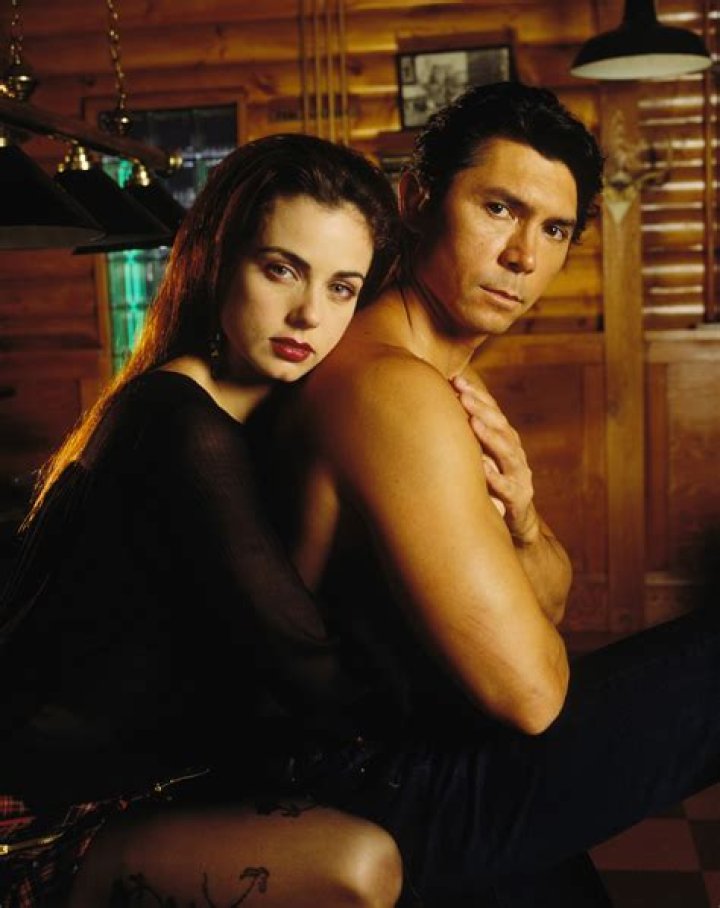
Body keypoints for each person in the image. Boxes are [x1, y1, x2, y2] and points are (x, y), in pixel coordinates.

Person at [251, 82, 720, 907]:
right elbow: (531, 694)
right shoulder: (391, 387)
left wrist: (526, 523)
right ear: (417, 199)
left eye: (554, 230)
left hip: (420, 748)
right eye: (499, 209)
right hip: (381, 784)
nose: (523, 257)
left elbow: (552, 603)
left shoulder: (431, 377)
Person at [0, 134, 404, 908]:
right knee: (367, 859)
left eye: (342, 287)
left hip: (136, 783)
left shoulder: (237, 419)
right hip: (39, 817)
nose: (309, 313)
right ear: (218, 260)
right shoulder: (182, 425)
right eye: (281, 268)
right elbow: (306, 667)